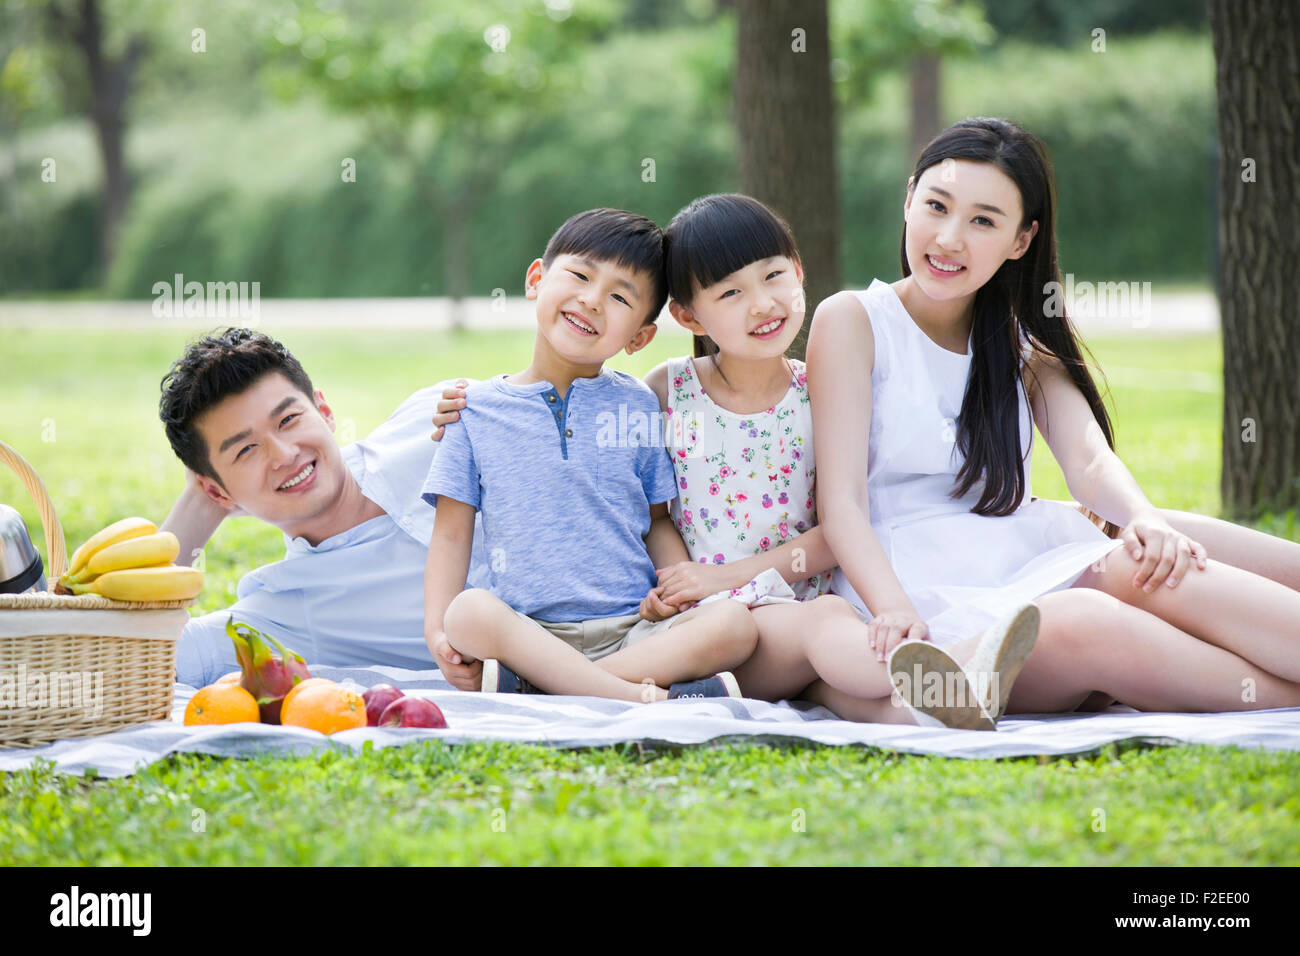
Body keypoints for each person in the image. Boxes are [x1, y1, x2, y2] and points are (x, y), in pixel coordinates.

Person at [430, 194, 1043, 729]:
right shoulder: (660, 393)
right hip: (622, 625)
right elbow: (641, 514)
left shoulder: (802, 391)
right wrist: (441, 636)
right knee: (471, 612)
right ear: (689, 316)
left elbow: (827, 520)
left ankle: (956, 682)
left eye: (774, 277)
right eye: (730, 292)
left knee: (787, 648)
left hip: (709, 621)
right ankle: (619, 694)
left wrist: (700, 592)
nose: (760, 305)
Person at [807, 117, 1300, 721]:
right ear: (909, 199)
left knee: (1162, 543)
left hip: (1017, 548)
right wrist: (893, 610)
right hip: (913, 587)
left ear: (1021, 240)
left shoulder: (1019, 343)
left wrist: (1142, 517)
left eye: (983, 220)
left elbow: (1088, 460)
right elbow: (842, 504)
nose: (949, 238)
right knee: (1102, 606)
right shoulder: (853, 320)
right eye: (936, 206)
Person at [422, 208, 757, 702]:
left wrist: (675, 594)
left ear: (640, 337)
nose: (591, 300)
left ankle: (551, 687)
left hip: (631, 628)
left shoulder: (638, 404)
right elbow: (451, 533)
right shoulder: (473, 410)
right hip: (526, 631)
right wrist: (437, 634)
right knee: (468, 613)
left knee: (733, 625)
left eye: (620, 297)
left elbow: (657, 520)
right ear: (537, 278)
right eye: (579, 275)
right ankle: (644, 697)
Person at [158, 328, 490, 688]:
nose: (284, 455)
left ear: (325, 411)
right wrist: (199, 506)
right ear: (218, 492)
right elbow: (123, 649)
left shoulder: (434, 420)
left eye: (288, 420)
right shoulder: (285, 611)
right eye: (246, 450)